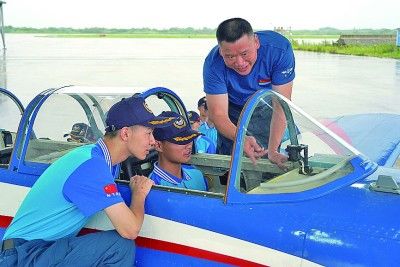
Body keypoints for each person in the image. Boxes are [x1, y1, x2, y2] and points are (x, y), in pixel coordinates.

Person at [0, 96, 175, 266]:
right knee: (119, 247)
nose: (153, 141)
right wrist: (139, 194)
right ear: (125, 133)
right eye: (148, 133)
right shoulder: (92, 165)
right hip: (23, 255)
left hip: (36, 251)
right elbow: (130, 230)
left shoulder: (99, 158)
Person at [203, 18, 295, 168]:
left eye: (245, 54)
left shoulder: (279, 50)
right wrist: (241, 138)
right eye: (230, 56)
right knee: (231, 164)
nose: (239, 63)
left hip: (267, 107)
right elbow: (218, 114)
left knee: (267, 160)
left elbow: (281, 106)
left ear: (256, 42)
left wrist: (272, 150)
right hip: (231, 110)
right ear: (221, 51)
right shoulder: (213, 64)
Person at [149, 111, 208, 191]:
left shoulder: (197, 175)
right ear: (158, 145)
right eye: (181, 141)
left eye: (190, 139)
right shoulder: (153, 187)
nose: (189, 146)